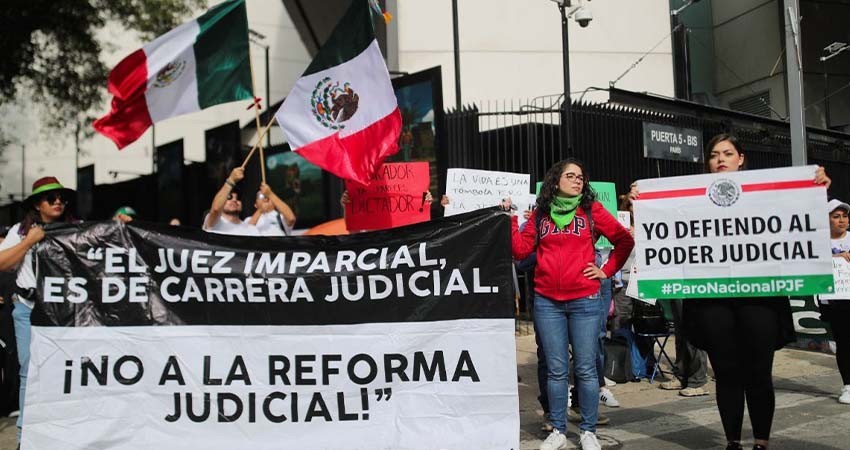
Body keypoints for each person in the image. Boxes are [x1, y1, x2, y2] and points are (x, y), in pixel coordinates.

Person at [635, 134, 831, 450]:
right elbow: (667, 230)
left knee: (758, 372)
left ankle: (761, 442)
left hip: (760, 297)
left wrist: (815, 186)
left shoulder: (766, 194)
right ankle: (733, 442)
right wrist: (644, 200)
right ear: (708, 162)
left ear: (741, 158)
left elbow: (800, 214)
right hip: (713, 301)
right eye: (714, 155)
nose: (720, 159)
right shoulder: (689, 199)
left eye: (728, 153)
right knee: (726, 372)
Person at [510, 158, 634, 450]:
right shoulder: (541, 214)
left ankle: (588, 431)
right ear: (555, 181)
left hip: (585, 300)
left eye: (581, 177)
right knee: (555, 370)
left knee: (586, 370)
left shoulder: (592, 210)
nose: (578, 180)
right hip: (547, 302)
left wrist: (606, 271)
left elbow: (623, 240)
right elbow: (520, 250)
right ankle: (558, 430)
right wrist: (512, 221)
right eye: (570, 175)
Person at [0, 176, 77, 444]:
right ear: (37, 204)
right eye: (51, 198)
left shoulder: (75, 229)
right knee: (28, 372)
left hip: (64, 313)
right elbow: (1, 263)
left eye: (61, 198)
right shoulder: (20, 232)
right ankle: (24, 436)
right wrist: (28, 242)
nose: (58, 202)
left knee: (65, 370)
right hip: (28, 310)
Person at [818, 198, 850, 404]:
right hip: (836, 299)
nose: (842, 220)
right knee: (845, 342)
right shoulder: (819, 244)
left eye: (844, 216)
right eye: (836, 216)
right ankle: (848, 385)